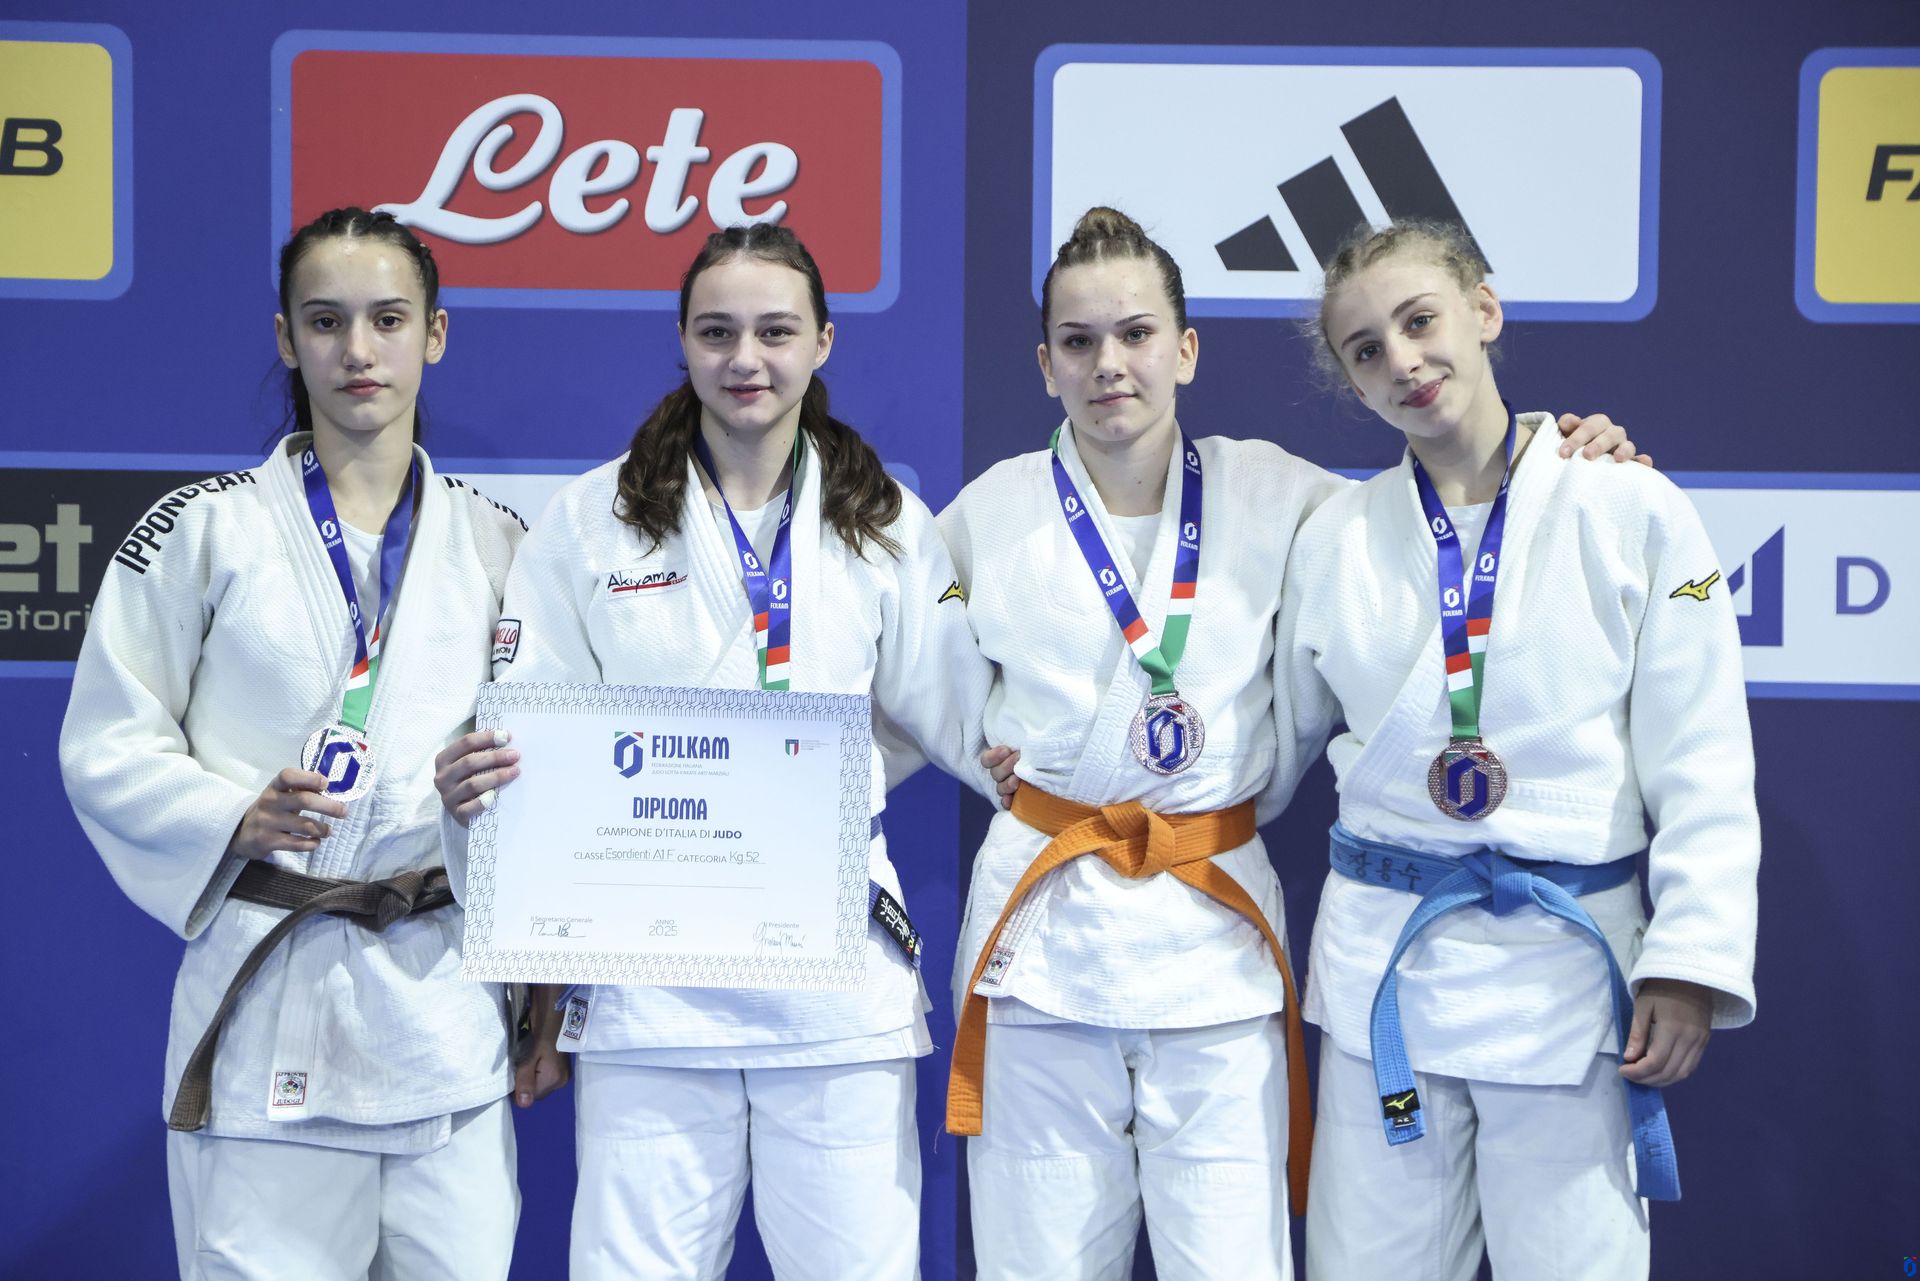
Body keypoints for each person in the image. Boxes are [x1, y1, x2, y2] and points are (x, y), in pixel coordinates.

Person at [939, 207, 1641, 1281]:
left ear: (1186, 350)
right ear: (1045, 366)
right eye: (1077, 342)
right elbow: (895, 657)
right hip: (1043, 939)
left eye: (1136, 334)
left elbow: (1445, 512)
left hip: (1211, 937)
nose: (1108, 364)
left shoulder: (1289, 497)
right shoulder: (987, 513)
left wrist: (1563, 455)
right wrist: (976, 750)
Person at [432, 222, 994, 1281]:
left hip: (831, 976)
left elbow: (960, 717)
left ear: (823, 341)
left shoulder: (884, 522)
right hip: (650, 983)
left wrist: (819, 783)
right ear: (683, 341)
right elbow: (536, 744)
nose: (747, 359)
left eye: (776, 331)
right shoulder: (592, 521)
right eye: (718, 331)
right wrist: (484, 790)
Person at [1280, 218, 1759, 1280]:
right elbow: (1263, 739)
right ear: (1350, 382)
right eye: (1367, 349)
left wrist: (1689, 961)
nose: (1404, 361)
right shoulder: (1334, 539)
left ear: (1484, 312)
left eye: (1421, 321)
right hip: (1386, 979)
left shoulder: (1630, 507)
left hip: (1565, 979)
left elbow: (1705, 759)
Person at [59, 206, 527, 1279]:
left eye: (388, 319)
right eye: (326, 321)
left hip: (441, 1009)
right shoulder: (203, 530)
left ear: (435, 334)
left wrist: (493, 807)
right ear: (285, 338)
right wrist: (231, 814)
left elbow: (546, 767)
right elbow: (107, 740)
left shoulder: (500, 542)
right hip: (273, 993)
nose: (358, 350)